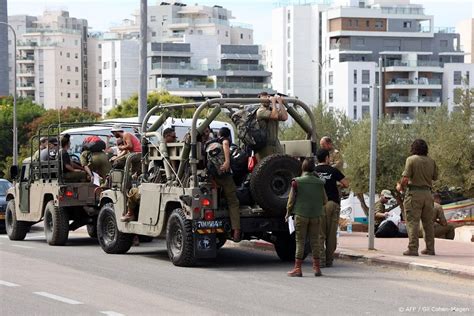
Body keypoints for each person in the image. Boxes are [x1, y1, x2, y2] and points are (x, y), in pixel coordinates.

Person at [286, 157, 327, 277]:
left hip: (301, 214)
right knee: (315, 241)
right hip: (316, 215)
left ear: (302, 168)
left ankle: (298, 269)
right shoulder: (320, 183)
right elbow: (325, 200)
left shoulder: (296, 182)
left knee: (300, 241)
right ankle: (317, 268)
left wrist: (288, 212)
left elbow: (291, 200)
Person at [396, 139, 438, 256]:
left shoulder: (411, 159)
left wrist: (400, 186)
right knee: (428, 223)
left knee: (412, 222)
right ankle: (430, 248)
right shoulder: (431, 161)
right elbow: (435, 177)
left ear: (413, 148)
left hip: (414, 194)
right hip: (428, 195)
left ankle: (413, 248)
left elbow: (405, 178)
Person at [314, 149, 349, 268]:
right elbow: (346, 183)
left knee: (320, 234)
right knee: (331, 234)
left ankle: (321, 261)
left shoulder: (314, 171)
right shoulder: (333, 171)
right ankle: (329, 260)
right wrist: (335, 183)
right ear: (327, 158)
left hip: (318, 204)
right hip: (332, 203)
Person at [210, 127, 241, 242]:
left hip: (213, 176)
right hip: (224, 175)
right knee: (233, 202)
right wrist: (227, 161)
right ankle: (236, 231)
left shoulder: (211, 143)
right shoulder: (225, 141)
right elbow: (226, 144)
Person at [255, 92, 288, 162]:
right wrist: (273, 102)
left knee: (282, 163)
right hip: (266, 145)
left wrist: (280, 103)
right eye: (264, 98)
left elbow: (284, 117)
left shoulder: (272, 109)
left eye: (268, 97)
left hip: (275, 143)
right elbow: (275, 116)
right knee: (269, 166)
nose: (267, 99)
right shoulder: (260, 111)